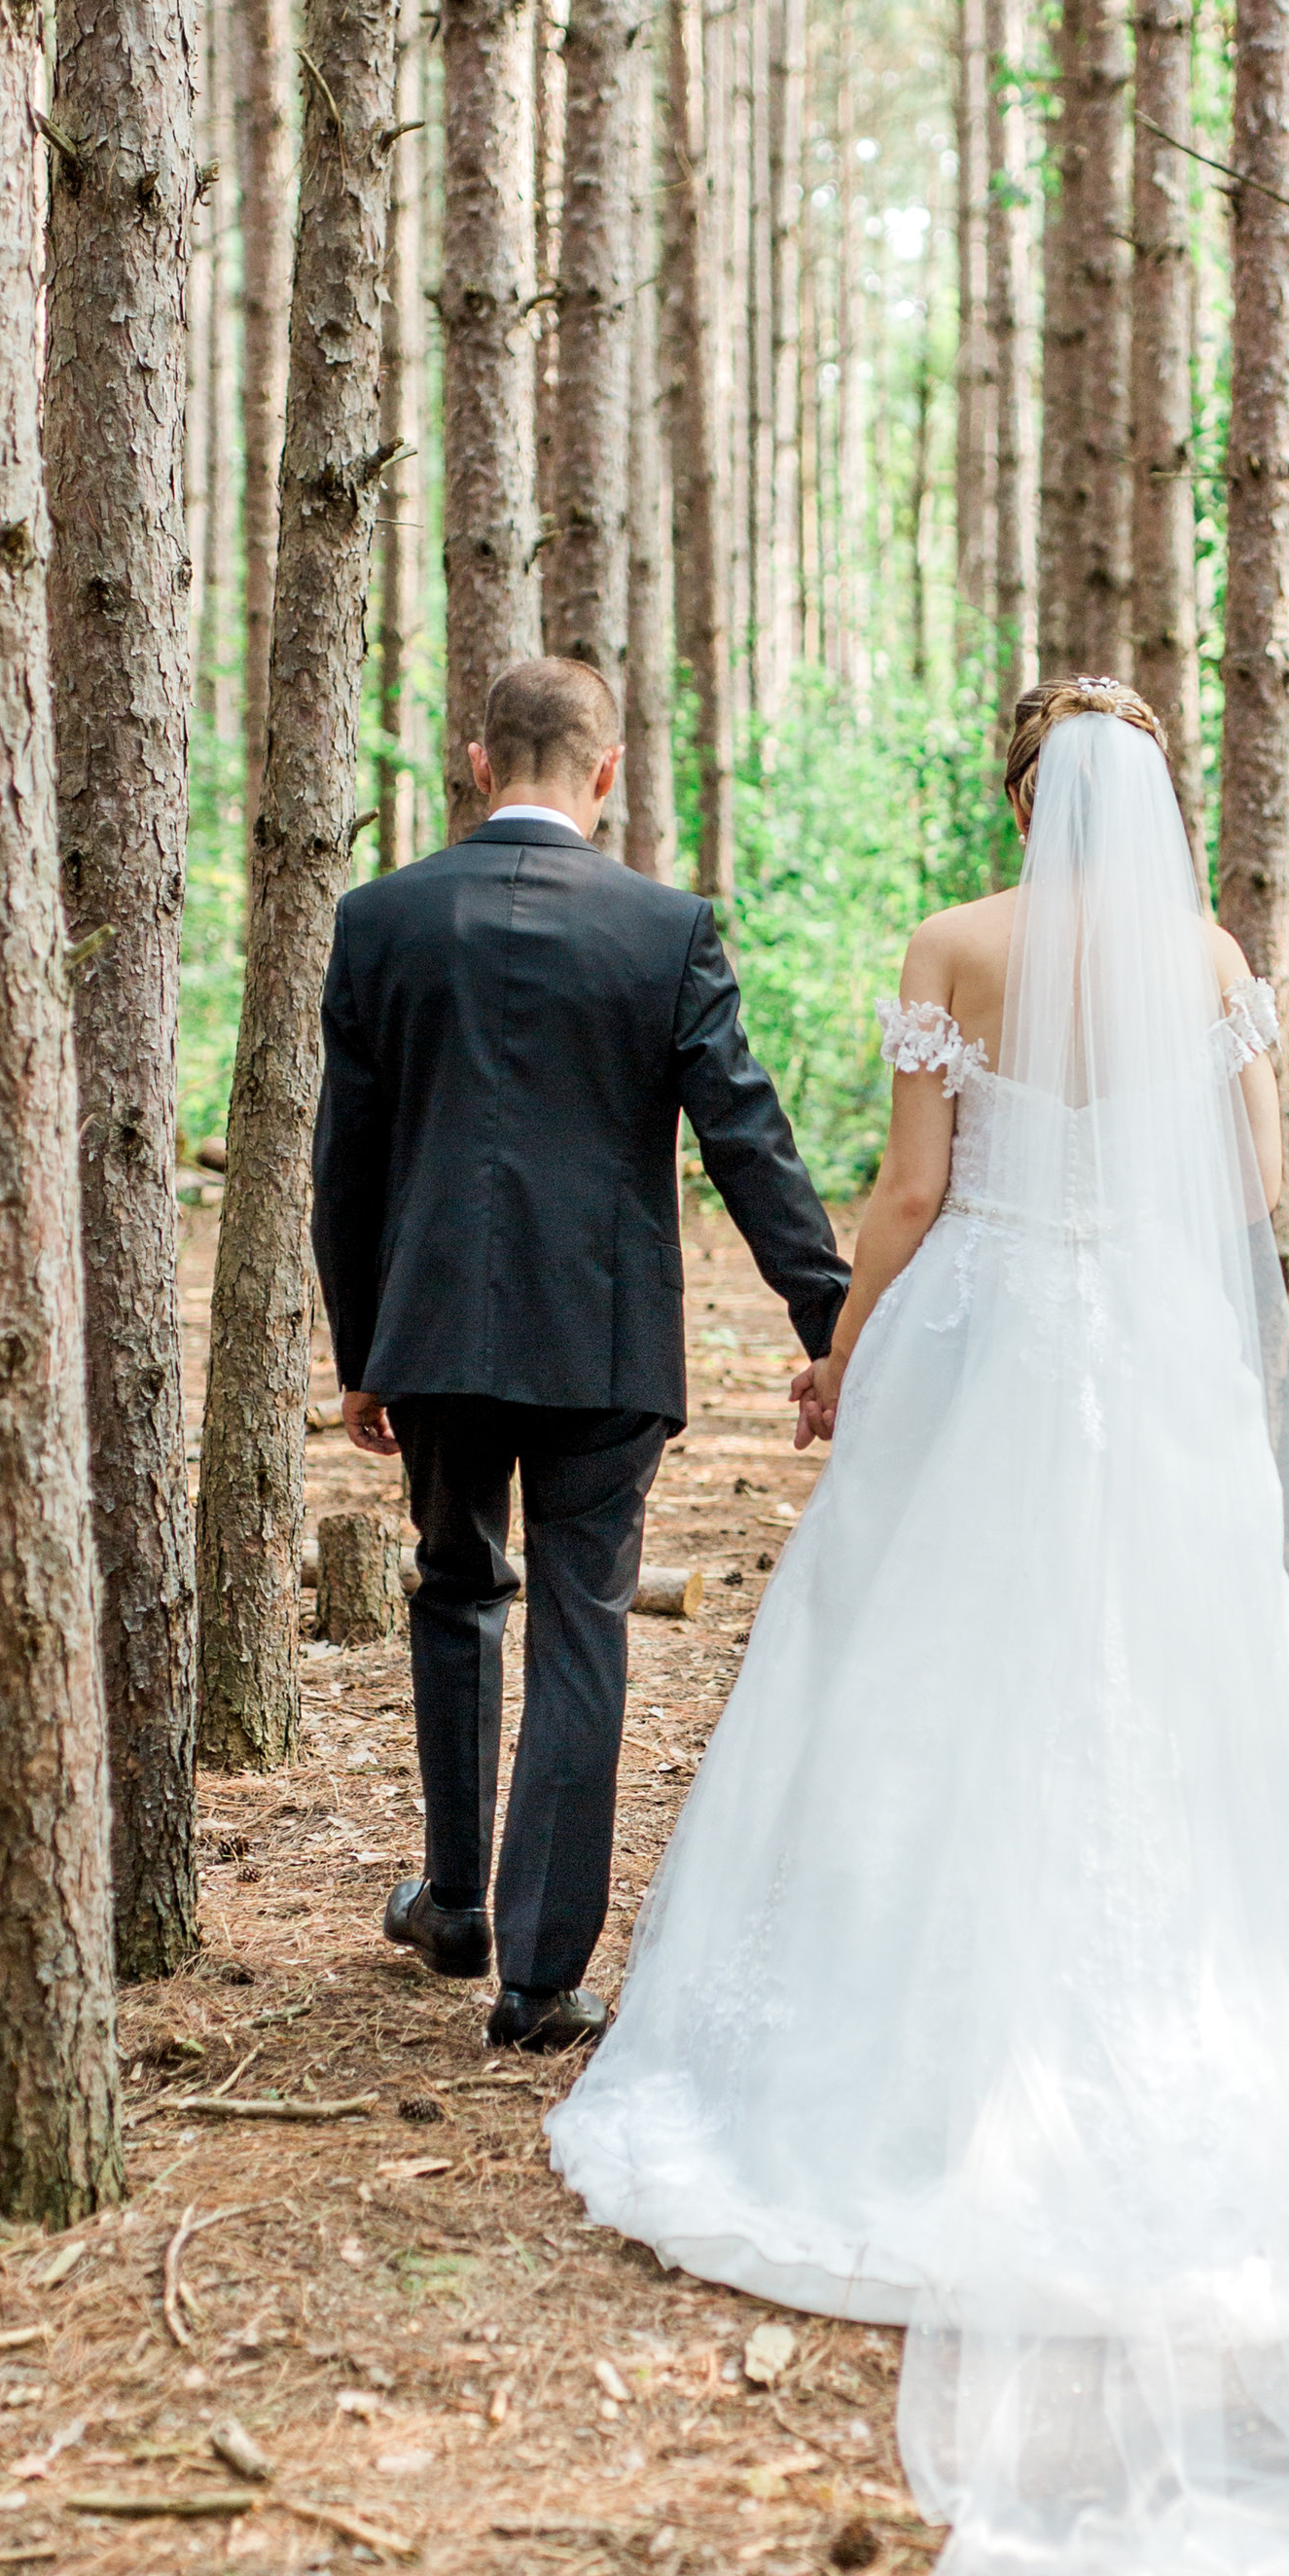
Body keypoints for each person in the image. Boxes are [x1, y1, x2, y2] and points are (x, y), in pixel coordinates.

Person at [551, 678, 1289, 2576]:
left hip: (999, 1341)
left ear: (1019, 792)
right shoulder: (1208, 964)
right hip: (1161, 1361)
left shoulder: (957, 945)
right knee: (1191, 1693)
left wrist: (840, 1348)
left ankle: (909, 2081)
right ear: (1156, 805)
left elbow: (915, 1196)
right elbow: (1253, 1204)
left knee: (918, 1687)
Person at [310, 656, 848, 2053]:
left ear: (478, 762)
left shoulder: (381, 919)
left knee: (452, 1587)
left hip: (428, 1328)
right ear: (604, 772)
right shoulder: (665, 929)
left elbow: (345, 1163)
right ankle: (537, 1974)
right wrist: (834, 1324)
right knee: (581, 1620)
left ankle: (453, 1899)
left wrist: (362, 1345)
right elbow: (748, 1139)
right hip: (604, 1339)